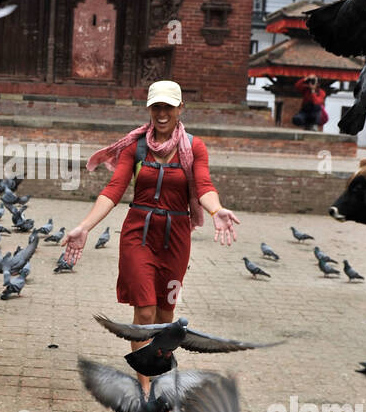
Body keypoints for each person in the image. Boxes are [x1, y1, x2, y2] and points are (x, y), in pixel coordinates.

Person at [61, 81, 239, 393]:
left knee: (167, 313)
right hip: (137, 235)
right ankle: (144, 384)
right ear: (149, 109)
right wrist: (85, 226)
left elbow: (204, 184)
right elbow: (114, 189)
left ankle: (160, 373)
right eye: (156, 107)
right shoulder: (136, 146)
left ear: (180, 109)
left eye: (168, 107)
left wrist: (216, 210)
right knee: (144, 311)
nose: (161, 113)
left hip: (175, 238)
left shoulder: (194, 147)